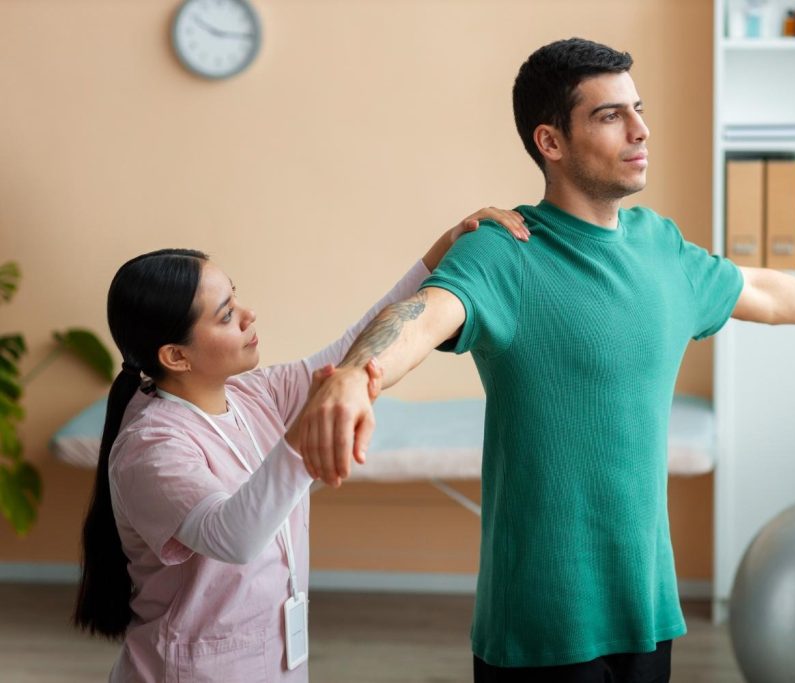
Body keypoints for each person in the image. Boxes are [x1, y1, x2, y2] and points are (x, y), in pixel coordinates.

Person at [293, 38, 795, 682]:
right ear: (549, 142)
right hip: (540, 625)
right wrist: (357, 374)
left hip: (645, 610)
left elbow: (761, 289)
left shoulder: (660, 246)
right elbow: (423, 312)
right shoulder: (504, 248)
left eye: (639, 110)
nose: (640, 130)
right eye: (610, 116)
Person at [71, 208, 528, 682]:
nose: (249, 316)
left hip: (277, 661)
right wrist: (312, 423)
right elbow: (232, 536)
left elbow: (356, 346)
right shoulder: (151, 447)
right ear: (176, 356)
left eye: (237, 299)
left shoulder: (254, 394)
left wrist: (441, 252)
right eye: (227, 315)